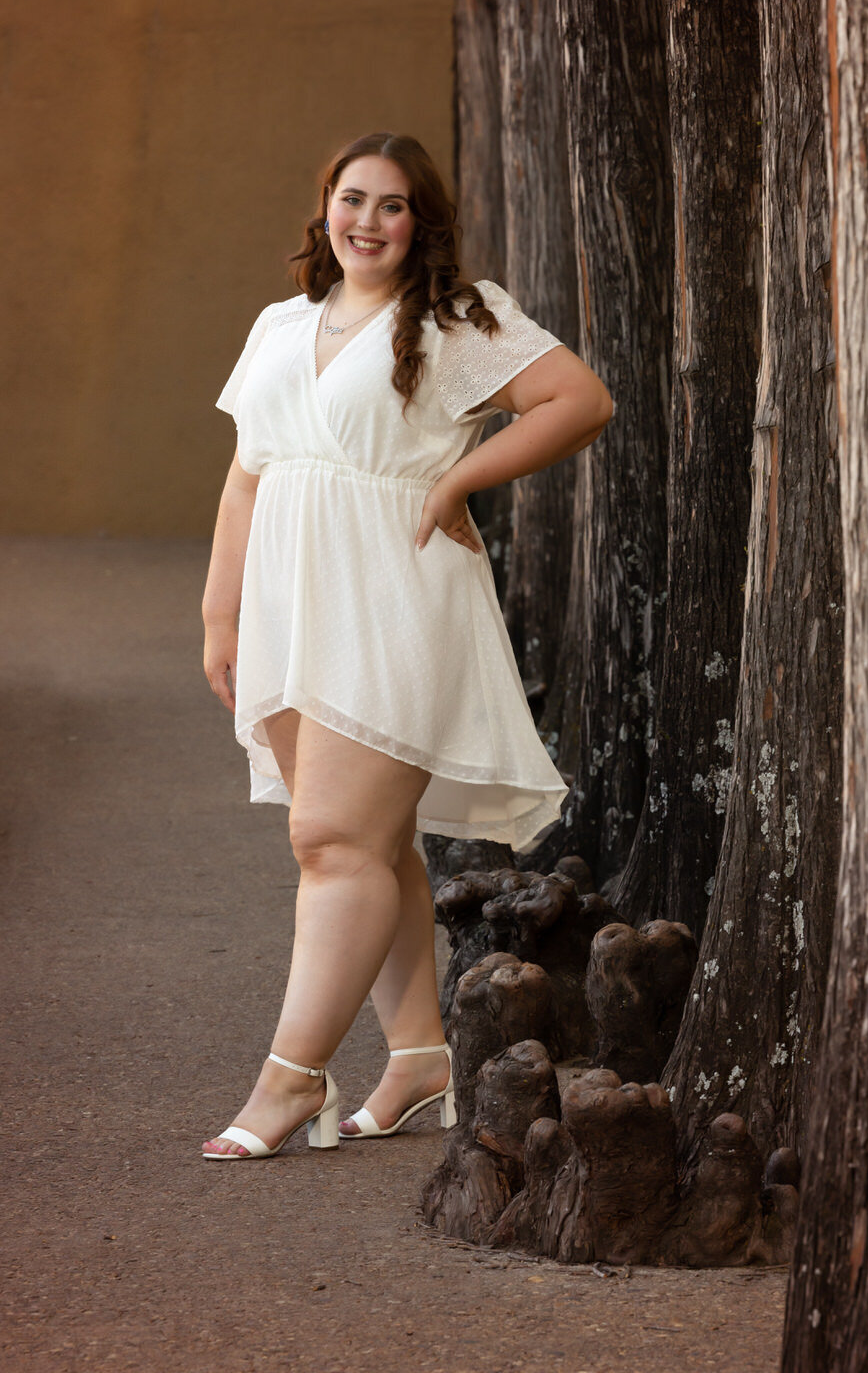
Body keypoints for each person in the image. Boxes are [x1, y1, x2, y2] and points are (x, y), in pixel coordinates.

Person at [200, 131, 612, 1159]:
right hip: (293, 605)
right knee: (371, 845)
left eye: (392, 205)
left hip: (393, 597)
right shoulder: (278, 325)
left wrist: (458, 479)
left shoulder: (451, 319)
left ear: (420, 222)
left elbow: (578, 399)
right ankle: (423, 1057)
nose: (368, 221)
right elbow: (248, 473)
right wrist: (221, 614)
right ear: (324, 207)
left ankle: (288, 1082)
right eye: (352, 199)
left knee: (330, 841)